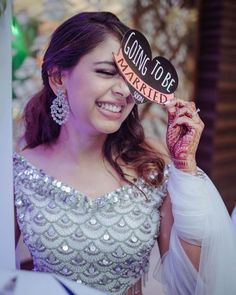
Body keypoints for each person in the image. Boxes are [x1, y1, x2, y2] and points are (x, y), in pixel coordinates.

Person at [13, 11, 236, 295]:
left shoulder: (152, 167)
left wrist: (186, 168)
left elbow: (195, 281)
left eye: (131, 80)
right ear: (58, 78)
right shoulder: (21, 171)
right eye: (106, 72)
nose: (124, 91)